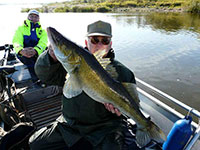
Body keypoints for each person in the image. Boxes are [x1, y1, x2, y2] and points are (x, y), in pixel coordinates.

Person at [29, 20, 137, 150]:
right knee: (35, 144)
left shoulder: (124, 73)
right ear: (86, 42)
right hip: (70, 126)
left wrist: (120, 112)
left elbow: (132, 105)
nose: (100, 44)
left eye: (105, 41)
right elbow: (44, 75)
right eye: (95, 40)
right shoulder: (70, 63)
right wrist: (50, 56)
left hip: (105, 129)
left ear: (110, 44)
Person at [13, 9, 48, 83]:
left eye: (36, 17)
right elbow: (16, 41)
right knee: (28, 59)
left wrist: (35, 50)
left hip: (37, 52)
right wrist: (21, 50)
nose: (33, 18)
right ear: (28, 17)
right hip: (24, 53)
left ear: (39, 19)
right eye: (31, 16)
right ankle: (36, 79)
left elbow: (43, 42)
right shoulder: (20, 28)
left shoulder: (43, 30)